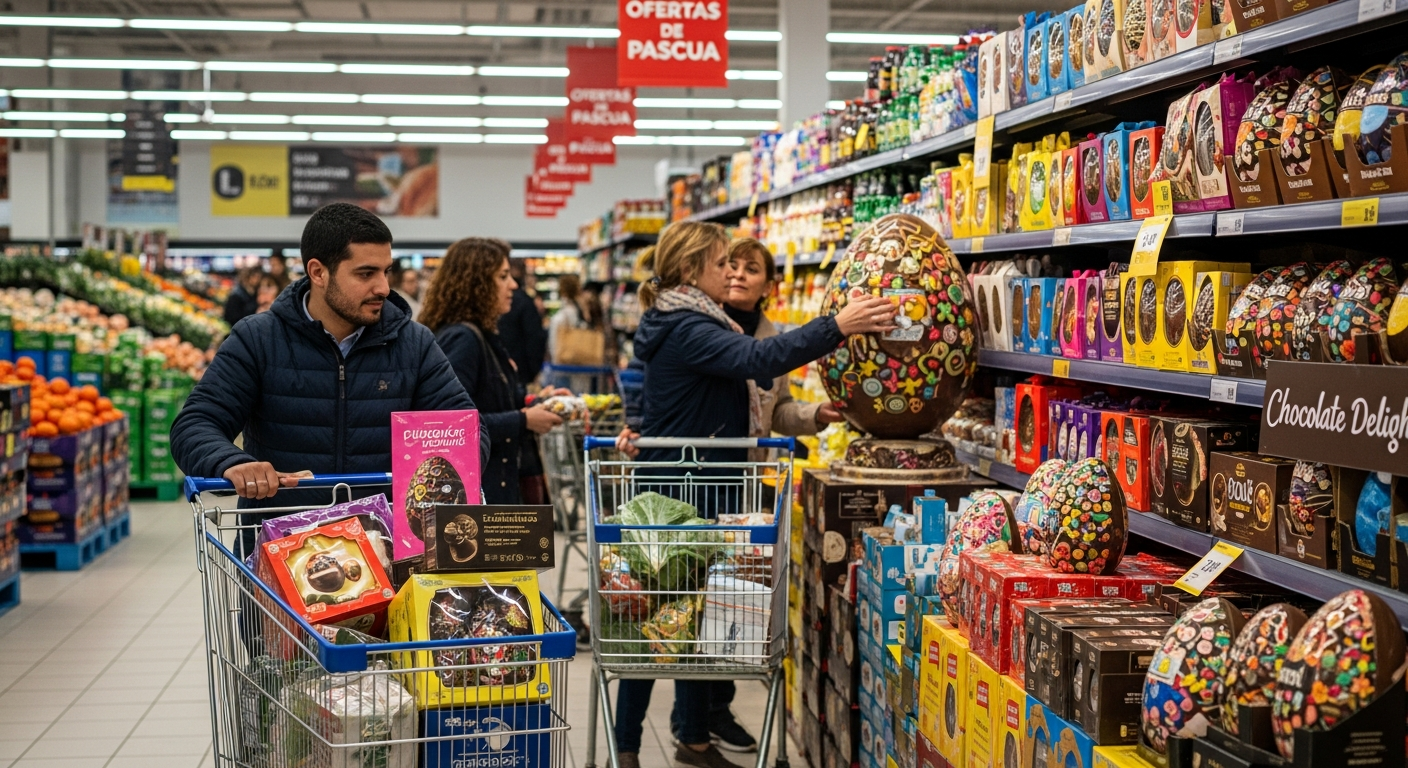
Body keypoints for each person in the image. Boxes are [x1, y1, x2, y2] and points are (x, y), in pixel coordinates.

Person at [610, 222, 897, 768]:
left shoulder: (687, 318)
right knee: (653, 625)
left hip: (693, 485)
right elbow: (759, 360)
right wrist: (837, 325)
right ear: (694, 270)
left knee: (696, 619)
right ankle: (627, 749)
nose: (731, 272)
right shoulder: (688, 325)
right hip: (677, 494)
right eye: (721, 263)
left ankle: (693, 739)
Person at [170, 202, 488, 552]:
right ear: (318, 272)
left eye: (386, 271)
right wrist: (234, 463)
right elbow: (195, 424)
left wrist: (438, 472)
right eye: (366, 274)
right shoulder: (258, 340)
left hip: (384, 551)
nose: (383, 287)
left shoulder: (414, 344)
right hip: (283, 552)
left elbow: (469, 430)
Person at [420, 238, 566, 504]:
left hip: (495, 484)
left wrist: (539, 402)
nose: (513, 285)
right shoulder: (463, 339)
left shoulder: (482, 334)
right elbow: (452, 426)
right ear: (477, 284)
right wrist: (524, 420)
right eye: (502, 276)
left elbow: (494, 396)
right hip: (482, 494)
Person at [498, 257, 548, 386]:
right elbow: (535, 338)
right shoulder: (525, 302)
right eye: (503, 276)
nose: (512, 285)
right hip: (521, 370)